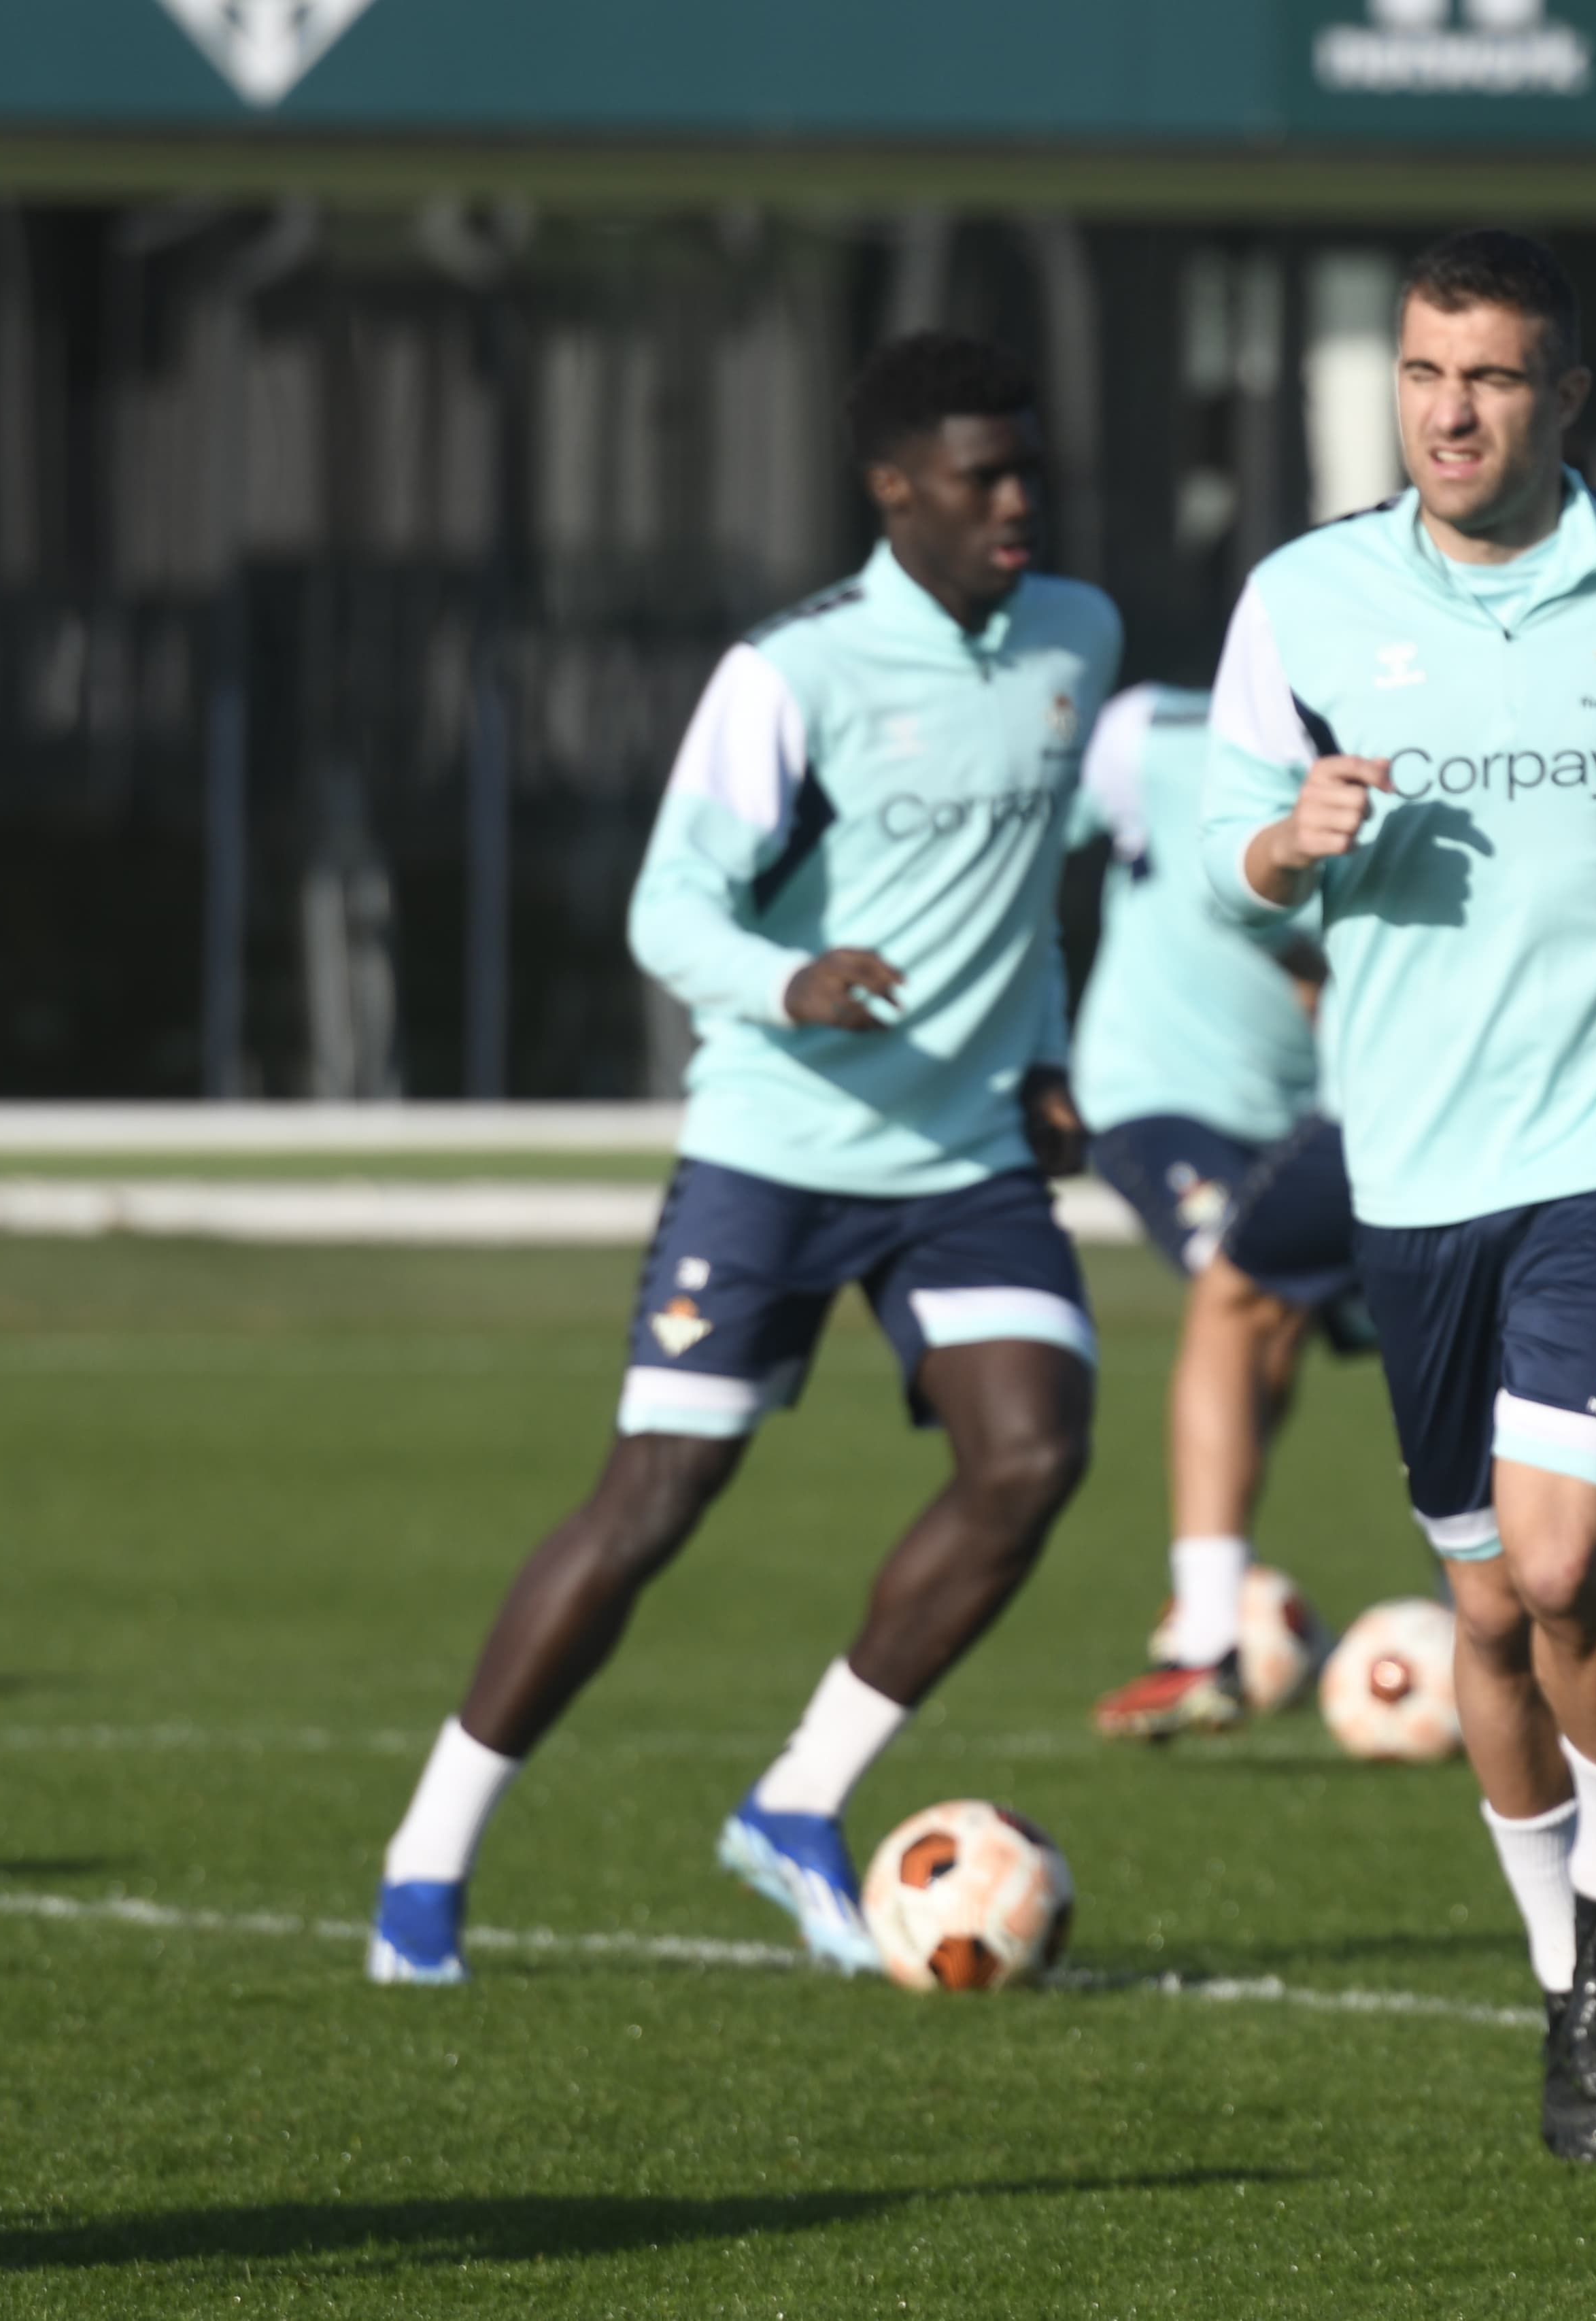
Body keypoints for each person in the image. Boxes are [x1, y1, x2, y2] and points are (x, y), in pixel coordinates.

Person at [366, 332, 1120, 1984]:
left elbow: (1029, 895)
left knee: (1033, 1455)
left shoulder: (1077, 637)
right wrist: (794, 981)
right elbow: (663, 911)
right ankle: (427, 1858)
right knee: (654, 1500)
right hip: (775, 1152)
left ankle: (797, 1802)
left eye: (1028, 470)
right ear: (891, 490)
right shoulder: (792, 674)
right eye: (981, 476)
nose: (1017, 501)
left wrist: (1049, 1056)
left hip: (970, 1153)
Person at [1200, 230, 1596, 2161]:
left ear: (1566, 394)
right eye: (1420, 373)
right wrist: (1287, 846)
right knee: (1486, 1616)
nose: (1448, 412)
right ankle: (1570, 1986)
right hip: (1412, 1158)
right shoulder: (1304, 596)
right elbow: (1218, 846)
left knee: (1563, 1564)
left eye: (1488, 378)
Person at [1202, 1113, 1596, 1776]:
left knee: (1231, 1300)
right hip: (1585, 1131)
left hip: (1410, 1118)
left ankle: (1204, 1636)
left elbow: (1320, 1003)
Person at [1072, 682, 1362, 1741]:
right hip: (1157, 1095)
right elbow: (1019, 845)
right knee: (1238, 1291)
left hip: (1321, 1114)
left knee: (1419, 1346)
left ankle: (1494, 1635)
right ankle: (1203, 1626)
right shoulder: (1149, 731)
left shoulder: (1414, 745)